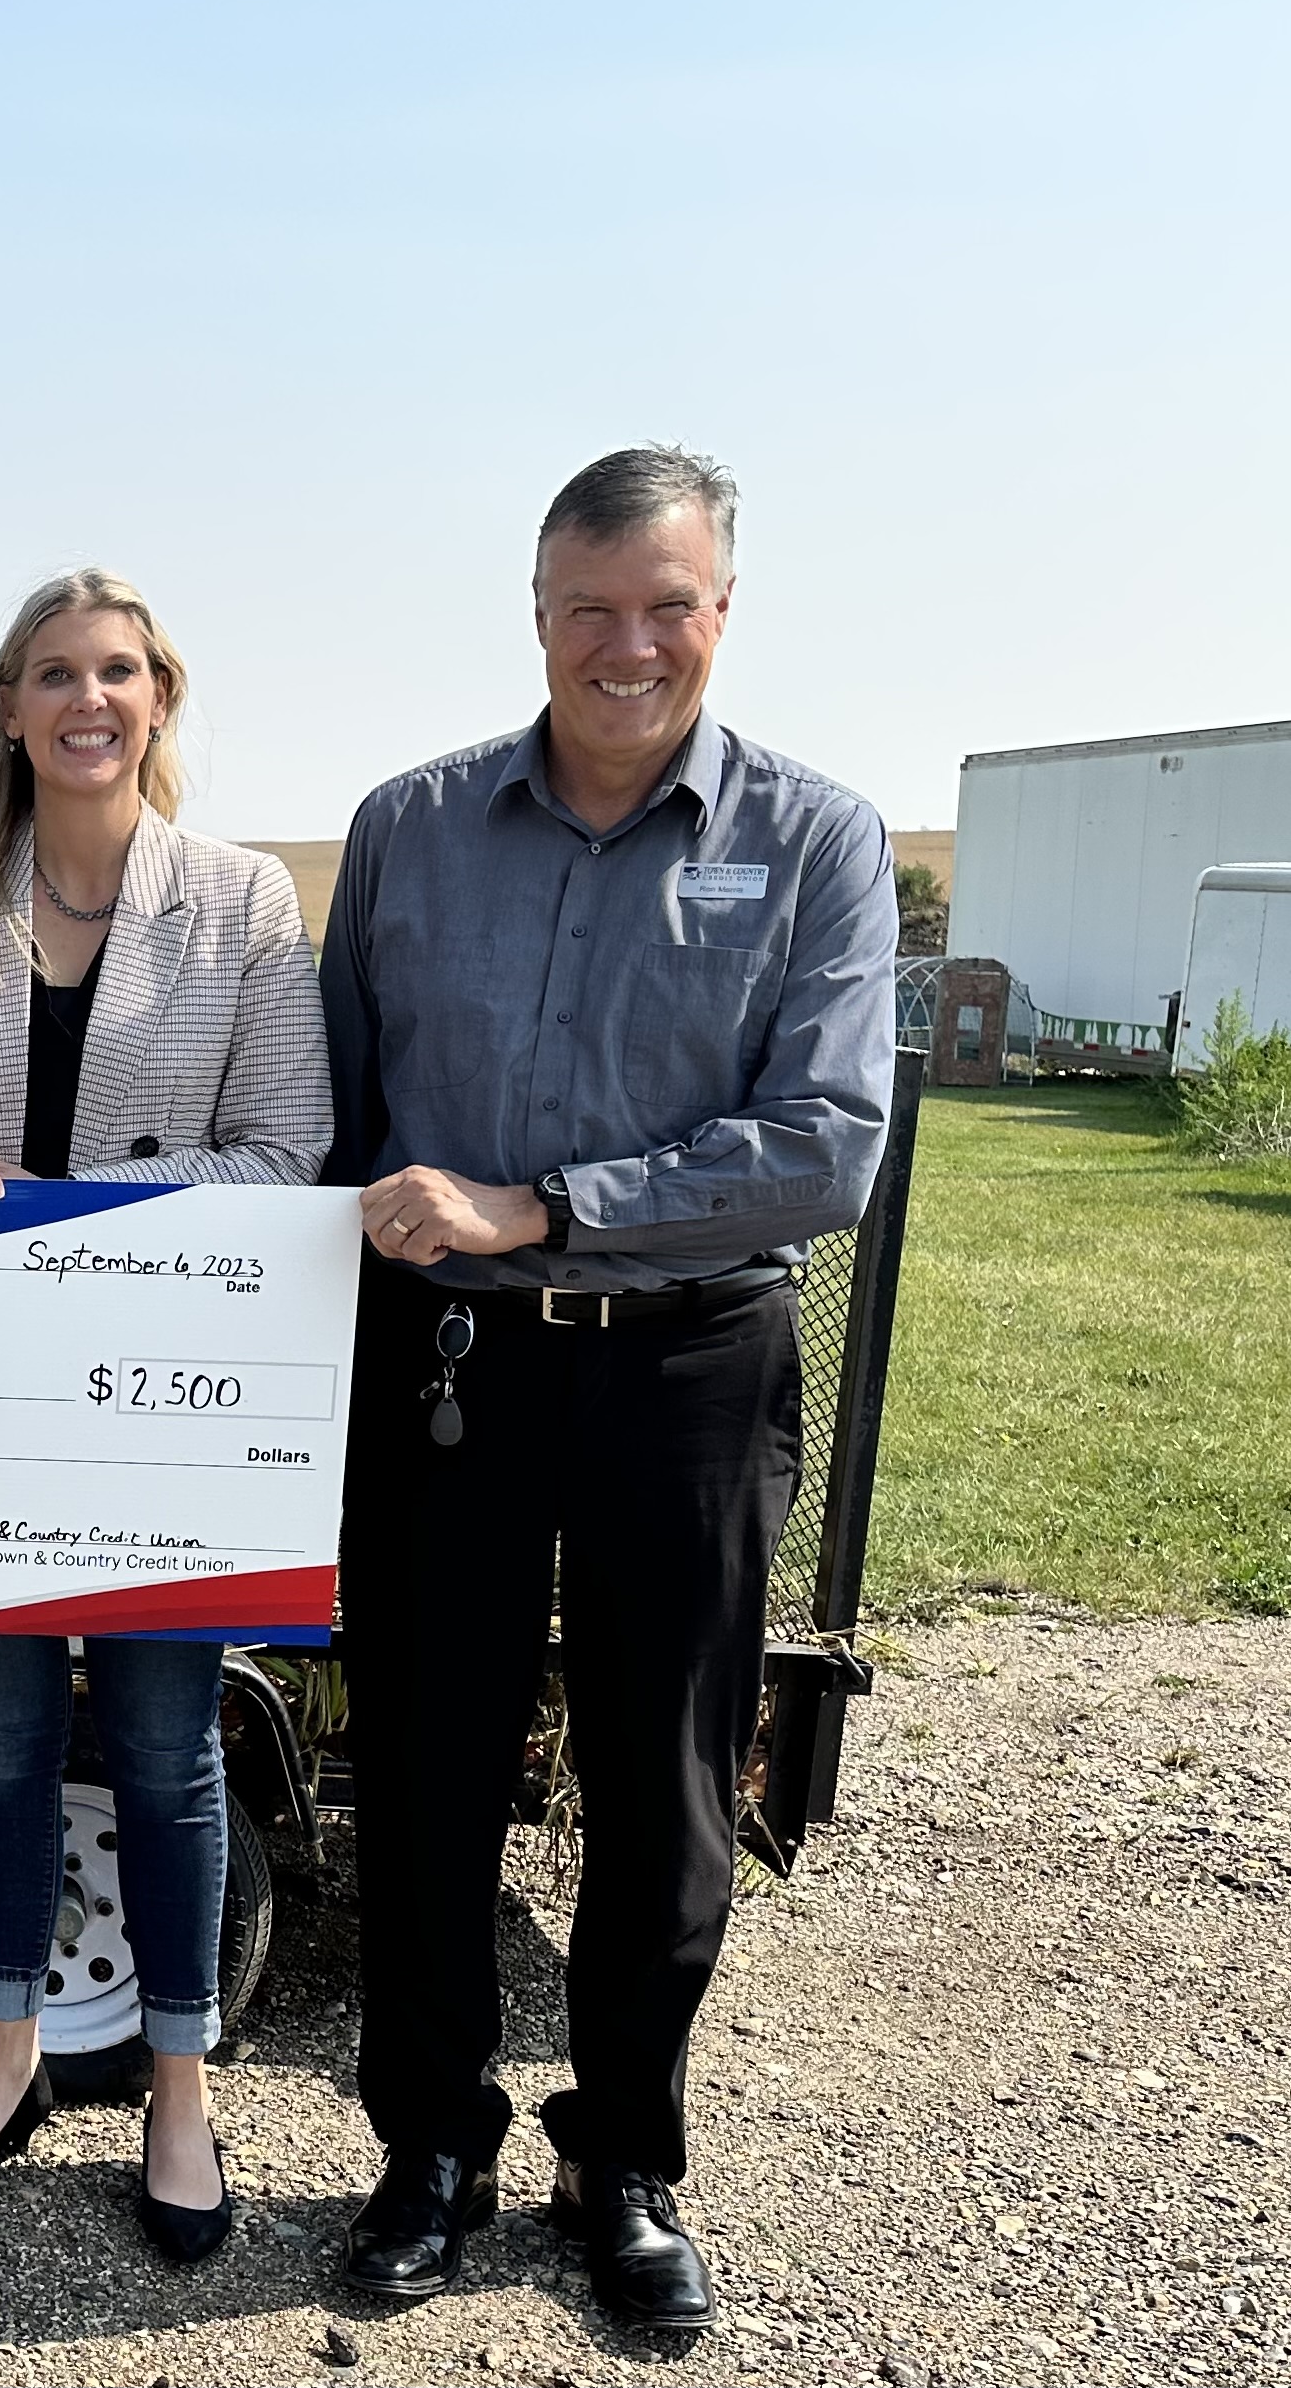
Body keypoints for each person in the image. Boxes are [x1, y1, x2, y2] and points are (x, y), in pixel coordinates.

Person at [321, 446, 895, 2332]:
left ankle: (618, 2152)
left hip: (688, 1372)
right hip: (449, 1373)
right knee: (421, 1766)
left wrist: (545, 1203)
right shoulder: (404, 827)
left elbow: (823, 1149)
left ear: (717, 610)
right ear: (537, 612)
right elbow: (328, 1126)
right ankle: (425, 2144)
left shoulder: (814, 840)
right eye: (589, 608)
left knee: (658, 1784)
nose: (625, 643)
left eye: (665, 606)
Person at [0, 567, 331, 2260]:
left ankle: (178, 2096)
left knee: (167, 1752)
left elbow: (284, 1150)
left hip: (164, 1396)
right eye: (53, 670)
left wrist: (64, 1195)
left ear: (157, 697)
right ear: (7, 703)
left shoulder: (245, 902)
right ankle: (0, 2060)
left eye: (116, 668)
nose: (85, 696)